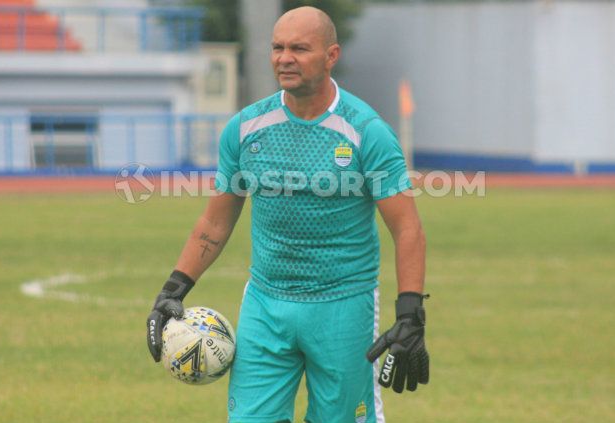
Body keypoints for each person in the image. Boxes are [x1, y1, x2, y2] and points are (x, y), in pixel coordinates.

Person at [146, 6, 429, 423]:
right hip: (265, 305)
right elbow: (215, 222)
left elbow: (407, 229)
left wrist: (410, 315)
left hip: (343, 308)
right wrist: (173, 289)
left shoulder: (367, 132)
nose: (284, 58)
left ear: (331, 55)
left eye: (299, 48)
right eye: (277, 48)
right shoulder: (244, 129)